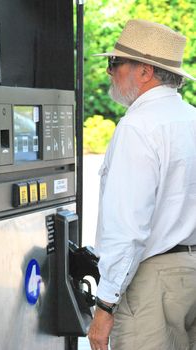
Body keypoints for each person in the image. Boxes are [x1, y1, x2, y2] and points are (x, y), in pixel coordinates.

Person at [88, 19, 196, 350]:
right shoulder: (191, 119)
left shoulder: (137, 127)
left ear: (145, 71)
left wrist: (104, 307)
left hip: (151, 283)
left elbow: (128, 230)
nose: (110, 72)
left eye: (115, 63)